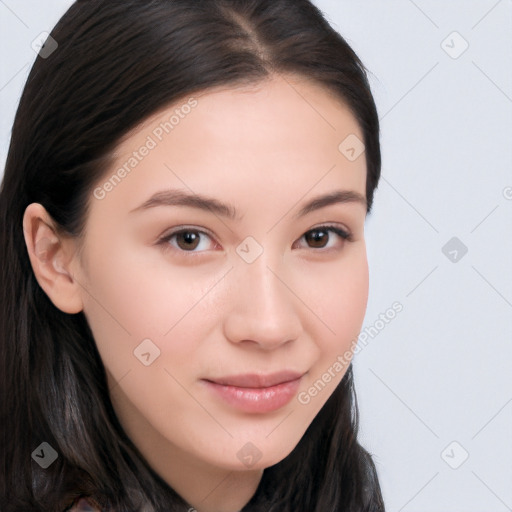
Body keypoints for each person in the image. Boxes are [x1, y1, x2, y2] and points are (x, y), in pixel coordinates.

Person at [0, 1, 385, 511]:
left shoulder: (342, 487)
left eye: (319, 236)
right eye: (189, 239)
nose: (269, 325)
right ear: (55, 258)